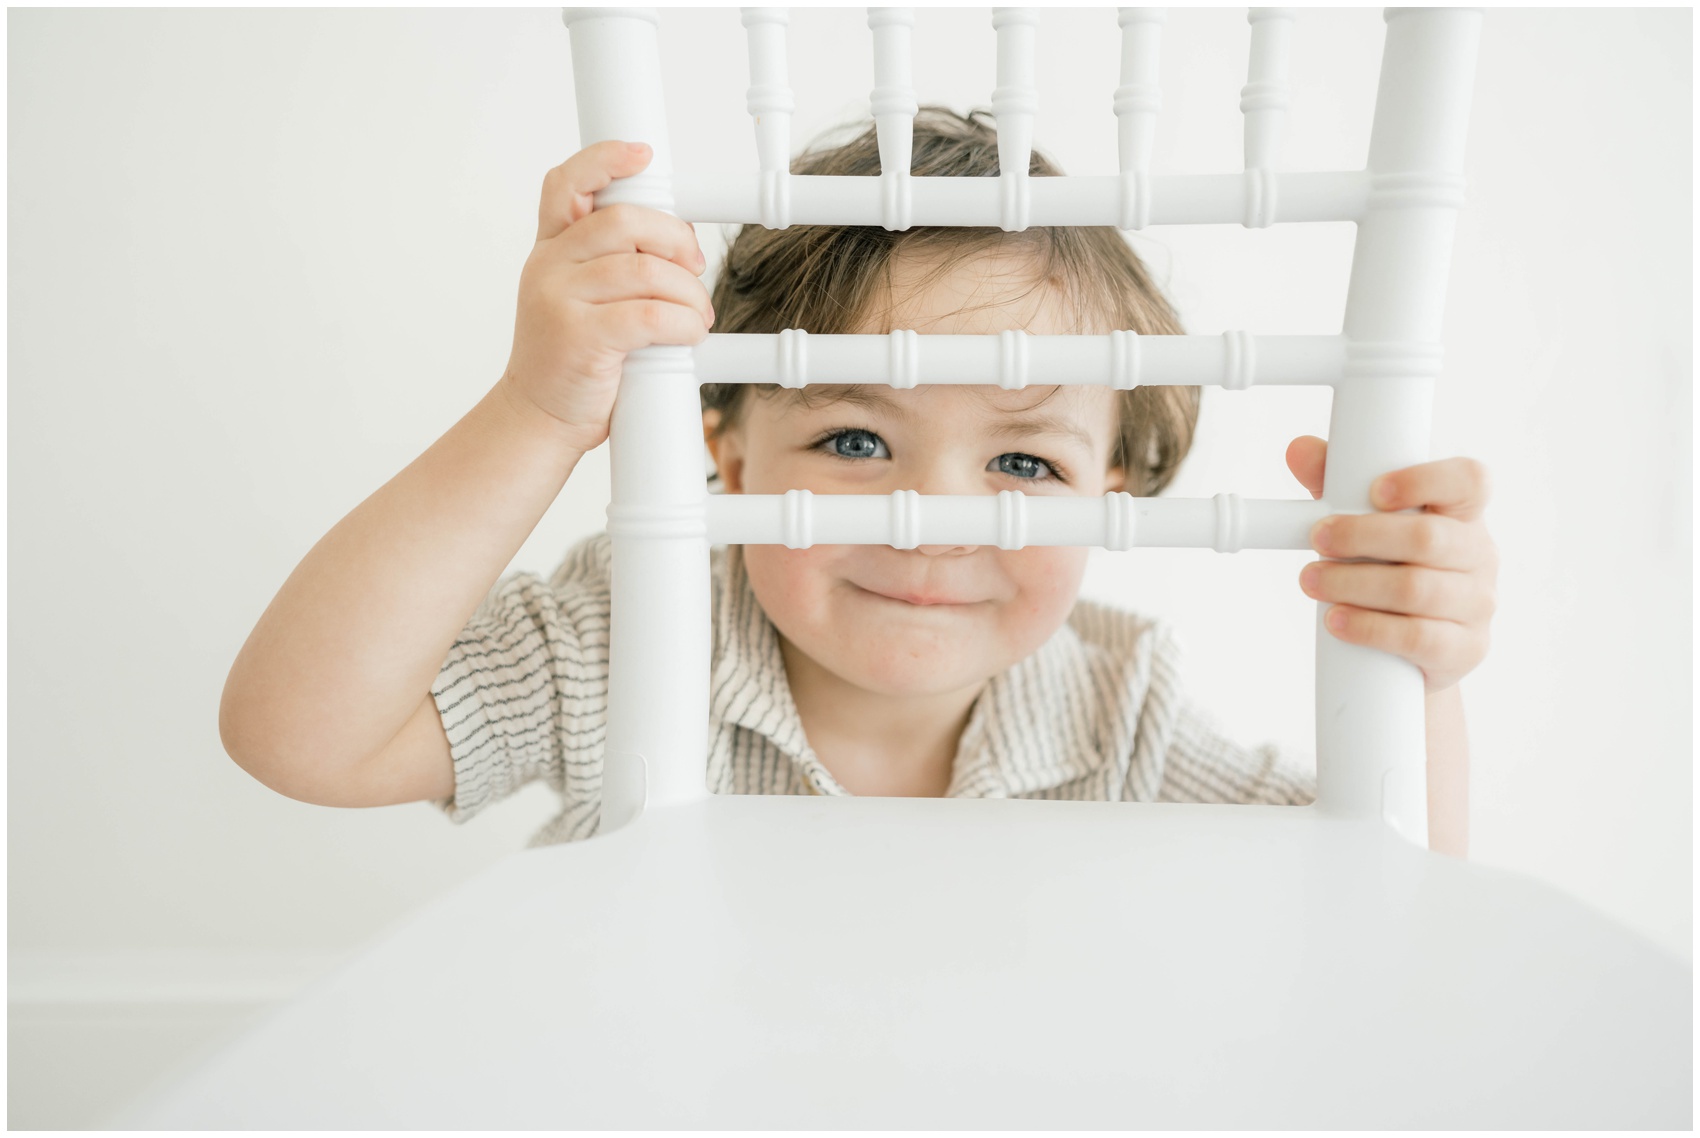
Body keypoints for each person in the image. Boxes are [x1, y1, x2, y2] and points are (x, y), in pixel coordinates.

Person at [218, 109, 1497, 857]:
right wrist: (539, 411)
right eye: (853, 441)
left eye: (1017, 461)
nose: (928, 522)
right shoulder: (629, 632)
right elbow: (301, 738)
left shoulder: (1119, 710)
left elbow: (1386, 890)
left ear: (1109, 485)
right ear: (721, 443)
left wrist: (1415, 675)